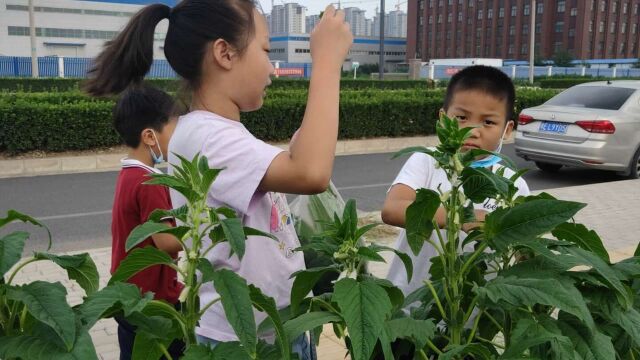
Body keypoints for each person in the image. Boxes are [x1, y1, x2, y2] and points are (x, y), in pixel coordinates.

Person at [84, 1, 353, 358]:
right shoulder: (209, 138)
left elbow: (300, 157)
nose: (271, 67)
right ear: (225, 53)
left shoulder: (214, 131)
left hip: (267, 330)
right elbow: (311, 172)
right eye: (266, 50)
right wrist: (328, 63)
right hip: (247, 342)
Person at [382, 65, 531, 295]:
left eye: (488, 122)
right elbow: (393, 209)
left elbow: (524, 248)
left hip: (475, 316)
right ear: (443, 119)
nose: (472, 130)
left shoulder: (512, 184)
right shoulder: (427, 161)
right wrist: (462, 217)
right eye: (461, 118)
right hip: (410, 301)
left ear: (507, 129)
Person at [107, 85, 184, 360]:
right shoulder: (151, 181)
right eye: (172, 130)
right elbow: (165, 242)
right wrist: (204, 228)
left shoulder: (129, 173)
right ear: (150, 136)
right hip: (152, 303)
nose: (176, 138)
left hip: (129, 294)